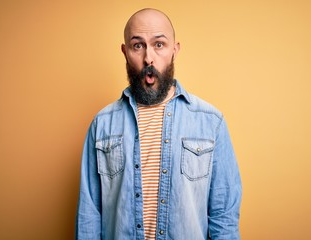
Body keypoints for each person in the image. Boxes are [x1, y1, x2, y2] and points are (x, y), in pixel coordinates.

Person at [76, 8, 242, 240]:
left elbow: (224, 217)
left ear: (175, 50)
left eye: (159, 44)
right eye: (137, 46)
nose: (148, 58)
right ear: (125, 52)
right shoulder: (102, 125)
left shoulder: (210, 122)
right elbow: (89, 215)